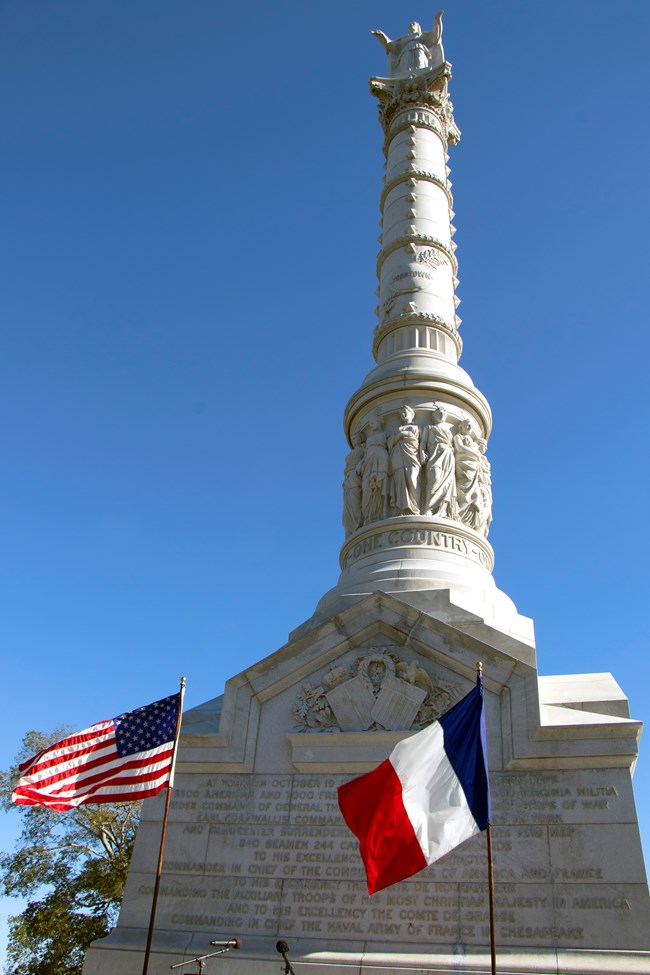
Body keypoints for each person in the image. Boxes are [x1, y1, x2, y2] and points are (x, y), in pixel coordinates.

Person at [420, 405, 456, 518]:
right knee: (434, 477)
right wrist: (421, 452)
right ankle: (428, 508)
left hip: (448, 456)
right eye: (439, 412)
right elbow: (423, 442)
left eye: (444, 413)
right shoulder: (429, 428)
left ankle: (441, 510)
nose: (442, 414)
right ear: (433, 416)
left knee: (446, 482)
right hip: (434, 454)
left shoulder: (449, 431)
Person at [388, 405, 421, 515]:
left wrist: (402, 434)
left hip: (412, 454)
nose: (403, 414)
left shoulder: (415, 427)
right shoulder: (396, 430)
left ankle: (416, 507)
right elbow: (390, 443)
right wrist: (401, 434)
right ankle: (402, 508)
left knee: (412, 478)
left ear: (412, 414)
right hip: (398, 455)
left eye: (405, 412)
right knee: (400, 480)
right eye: (401, 413)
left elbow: (416, 440)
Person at [453, 418, 482, 529]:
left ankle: (470, 522)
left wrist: (476, 454)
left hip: (473, 469)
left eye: (470, 425)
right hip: (463, 465)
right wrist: (475, 454)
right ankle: (458, 512)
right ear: (461, 426)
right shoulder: (457, 437)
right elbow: (459, 448)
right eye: (467, 424)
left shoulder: (474, 444)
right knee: (463, 489)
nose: (469, 427)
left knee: (475, 494)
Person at [361, 418, 389, 525]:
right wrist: (361, 463)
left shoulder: (386, 434)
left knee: (381, 484)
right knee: (367, 487)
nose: (372, 425)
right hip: (369, 460)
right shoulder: (369, 439)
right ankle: (369, 515)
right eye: (371, 423)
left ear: (380, 422)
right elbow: (366, 452)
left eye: (373, 422)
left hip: (381, 457)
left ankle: (382, 512)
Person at [342, 433, 365, 536]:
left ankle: (358, 524)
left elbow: (367, 456)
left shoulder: (364, 449)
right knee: (349, 504)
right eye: (354, 438)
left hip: (356, 475)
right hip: (348, 478)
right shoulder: (352, 453)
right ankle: (352, 528)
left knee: (355, 499)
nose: (355, 440)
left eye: (357, 438)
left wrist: (360, 464)